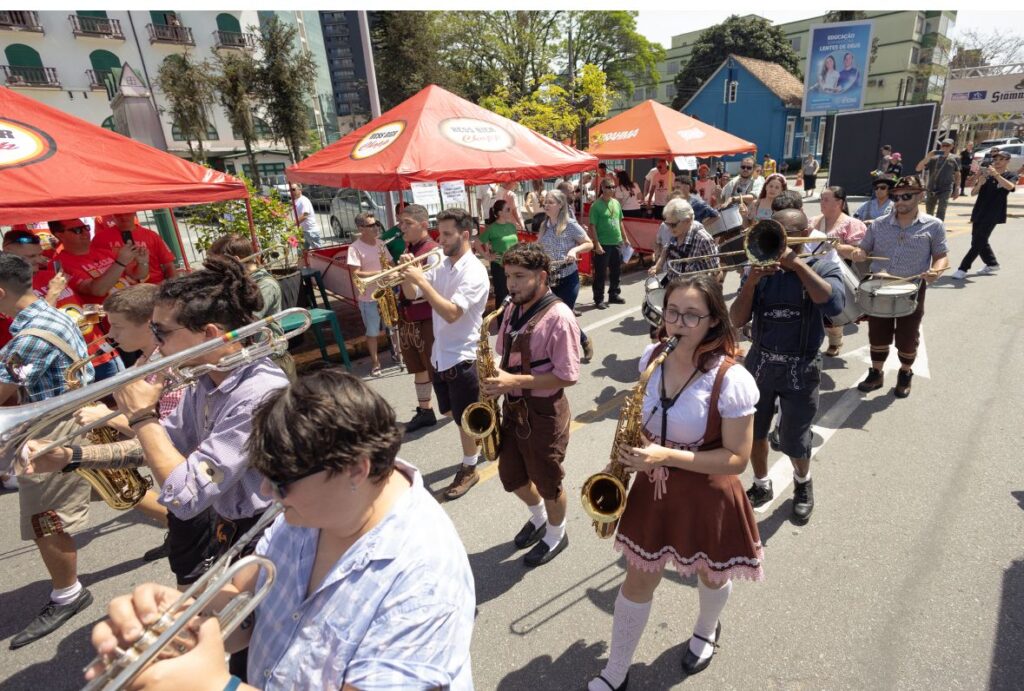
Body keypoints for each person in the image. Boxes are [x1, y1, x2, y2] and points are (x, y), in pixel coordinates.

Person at [85, 368, 476, 690]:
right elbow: (246, 599)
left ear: (357, 468)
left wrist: (217, 686)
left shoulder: (425, 576)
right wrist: (180, 619)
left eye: (282, 481)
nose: (269, 493)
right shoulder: (314, 509)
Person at [26, 257, 287, 607]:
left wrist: (140, 416)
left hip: (268, 530)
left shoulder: (257, 393)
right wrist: (72, 457)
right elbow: (162, 443)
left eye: (161, 332)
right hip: (233, 526)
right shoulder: (205, 377)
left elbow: (187, 495)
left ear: (209, 333)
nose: (157, 343)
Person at [587, 274, 761, 691]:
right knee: (638, 579)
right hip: (653, 484)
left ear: (713, 322)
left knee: (712, 574)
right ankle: (617, 668)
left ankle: (705, 629)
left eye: (691, 315)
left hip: (707, 491)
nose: (677, 324)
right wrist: (631, 456)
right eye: (671, 312)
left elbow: (737, 459)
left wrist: (667, 456)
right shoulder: (651, 356)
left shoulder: (732, 379)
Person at [0, 254, 96, 649]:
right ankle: (188, 525)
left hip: (53, 429)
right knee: (122, 488)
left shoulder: (28, 339)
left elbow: (4, 389)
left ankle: (68, 594)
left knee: (45, 519)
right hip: (76, 417)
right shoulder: (47, 316)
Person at [730, 211, 845, 524]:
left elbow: (834, 306)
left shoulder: (823, 263)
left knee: (795, 437)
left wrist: (797, 265)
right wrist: (751, 282)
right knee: (754, 432)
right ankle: (761, 483)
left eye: (785, 234)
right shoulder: (759, 270)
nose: (777, 246)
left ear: (805, 232)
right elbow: (735, 320)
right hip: (761, 361)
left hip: (802, 364)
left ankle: (803, 483)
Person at [481, 243, 580, 567]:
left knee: (548, 482)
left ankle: (556, 534)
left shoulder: (560, 317)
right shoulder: (511, 308)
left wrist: (515, 382)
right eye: (508, 276)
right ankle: (539, 517)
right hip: (513, 408)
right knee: (512, 477)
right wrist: (494, 378)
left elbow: (567, 376)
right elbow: (504, 353)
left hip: (543, 413)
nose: (511, 284)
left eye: (519, 277)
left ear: (541, 276)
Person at [400, 208, 489, 500]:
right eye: (440, 233)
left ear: (465, 235)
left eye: (448, 234)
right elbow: (413, 295)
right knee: (451, 412)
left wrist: (421, 280)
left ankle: (470, 467)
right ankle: (487, 424)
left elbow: (451, 313)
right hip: (440, 354)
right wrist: (407, 275)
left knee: (464, 420)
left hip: (464, 356)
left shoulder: (473, 271)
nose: (441, 239)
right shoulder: (442, 263)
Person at [850, 176, 948, 398]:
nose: (900, 200)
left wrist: (936, 271)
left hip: (911, 287)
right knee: (877, 332)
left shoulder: (934, 225)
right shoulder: (878, 224)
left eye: (907, 196)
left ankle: (905, 373)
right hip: (880, 286)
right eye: (897, 196)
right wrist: (859, 252)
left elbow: (941, 257)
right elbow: (864, 249)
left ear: (920, 196)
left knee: (907, 335)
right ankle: (876, 373)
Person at [206, 235, 297, 381]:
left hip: (272, 360)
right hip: (249, 359)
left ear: (235, 260)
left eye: (217, 265)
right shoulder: (235, 282)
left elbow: (245, 321)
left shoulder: (265, 284)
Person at [395, 204, 442, 433]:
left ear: (424, 225)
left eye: (407, 223)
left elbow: (418, 293)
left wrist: (405, 274)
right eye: (401, 223)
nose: (401, 227)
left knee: (436, 367)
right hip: (408, 318)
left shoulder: (433, 253)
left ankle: (460, 406)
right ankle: (425, 410)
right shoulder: (409, 248)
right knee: (417, 367)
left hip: (427, 318)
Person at [809, 186, 867, 356]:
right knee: (813, 310)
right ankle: (812, 343)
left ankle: (835, 340)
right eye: (821, 199)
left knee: (834, 310)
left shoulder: (853, 224)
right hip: (814, 270)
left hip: (841, 271)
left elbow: (860, 251)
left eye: (826, 199)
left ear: (839, 202)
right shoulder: (814, 221)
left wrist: (839, 246)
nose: (822, 203)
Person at [538, 189, 595, 361]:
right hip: (550, 278)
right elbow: (539, 246)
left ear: (560, 205)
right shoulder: (544, 225)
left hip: (569, 277)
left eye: (550, 202)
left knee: (565, 314)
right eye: (545, 202)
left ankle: (579, 343)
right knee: (553, 316)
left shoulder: (570, 224)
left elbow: (588, 243)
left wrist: (575, 249)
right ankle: (571, 343)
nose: (546, 205)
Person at [952, 150, 1019, 280]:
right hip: (979, 210)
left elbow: (1011, 187)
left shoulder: (1011, 175)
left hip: (994, 212)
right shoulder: (986, 175)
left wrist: (996, 175)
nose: (997, 161)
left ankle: (963, 268)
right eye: (996, 159)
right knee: (977, 239)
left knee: (979, 241)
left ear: (1007, 161)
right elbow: (973, 193)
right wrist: (979, 183)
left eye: (1001, 159)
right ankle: (992, 263)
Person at [346, 211, 390, 376]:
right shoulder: (354, 248)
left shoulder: (381, 243)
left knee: (393, 327)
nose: (376, 227)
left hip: (386, 292)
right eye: (371, 225)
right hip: (369, 297)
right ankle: (376, 363)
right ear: (361, 228)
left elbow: (390, 264)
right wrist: (380, 273)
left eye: (376, 224)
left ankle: (399, 356)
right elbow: (355, 273)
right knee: (372, 332)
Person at [93, 212, 178, 284]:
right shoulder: (100, 238)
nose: (123, 217)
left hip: (154, 286)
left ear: (134, 212)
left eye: (127, 212)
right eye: (118, 214)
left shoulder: (152, 235)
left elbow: (169, 265)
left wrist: (173, 288)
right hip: (120, 289)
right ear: (112, 215)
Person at [650, 198, 720, 283]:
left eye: (673, 225)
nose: (669, 228)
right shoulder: (676, 232)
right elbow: (667, 248)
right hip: (674, 283)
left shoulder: (703, 240)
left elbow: (716, 273)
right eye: (667, 224)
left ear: (688, 221)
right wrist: (658, 265)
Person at [589, 179, 628, 310]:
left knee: (616, 270)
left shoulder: (616, 203)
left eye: (613, 187)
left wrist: (625, 238)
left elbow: (620, 222)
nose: (611, 189)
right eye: (608, 187)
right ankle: (599, 299)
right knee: (600, 273)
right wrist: (597, 244)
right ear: (602, 188)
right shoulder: (596, 205)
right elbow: (592, 226)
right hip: (603, 244)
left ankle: (614, 294)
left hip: (616, 242)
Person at [477, 199, 520, 306]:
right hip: (500, 266)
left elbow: (515, 244)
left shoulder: (512, 226)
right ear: (500, 213)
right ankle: (502, 321)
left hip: (515, 265)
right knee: (502, 295)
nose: (510, 211)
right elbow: (477, 243)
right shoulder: (492, 228)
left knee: (516, 294)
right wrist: (488, 257)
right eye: (508, 209)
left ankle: (513, 320)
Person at [916, 138, 961, 221]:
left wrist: (957, 188)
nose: (945, 147)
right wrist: (928, 157)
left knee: (941, 210)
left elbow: (957, 174)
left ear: (952, 146)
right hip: (932, 187)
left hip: (946, 188)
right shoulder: (934, 158)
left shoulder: (955, 158)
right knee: (929, 210)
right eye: (943, 145)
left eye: (947, 146)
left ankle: (938, 228)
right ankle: (929, 226)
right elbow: (918, 168)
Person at [289, 183, 322, 249]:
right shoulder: (296, 201)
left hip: (310, 231)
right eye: (290, 190)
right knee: (302, 254)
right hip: (302, 231)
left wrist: (292, 224)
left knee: (318, 253)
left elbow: (305, 215)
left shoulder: (303, 200)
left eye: (293, 189)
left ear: (300, 190)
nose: (291, 192)